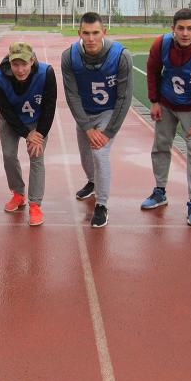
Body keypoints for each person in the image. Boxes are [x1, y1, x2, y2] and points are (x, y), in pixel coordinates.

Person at [141, 8, 191, 226]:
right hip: (166, 103)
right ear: (172, 29)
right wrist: (154, 100)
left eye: (190, 28)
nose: (185, 33)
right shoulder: (161, 44)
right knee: (160, 145)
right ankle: (160, 191)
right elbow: (152, 70)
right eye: (180, 28)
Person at [61, 12, 133, 227]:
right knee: (85, 156)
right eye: (86, 33)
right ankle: (92, 182)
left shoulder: (120, 55)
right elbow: (71, 94)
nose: (91, 38)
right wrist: (86, 126)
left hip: (108, 111)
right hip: (85, 112)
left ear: (104, 32)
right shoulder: (69, 56)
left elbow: (124, 97)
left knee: (99, 153)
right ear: (79, 33)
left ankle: (101, 205)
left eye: (95, 33)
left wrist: (108, 132)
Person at [0, 41, 57, 226]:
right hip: (12, 119)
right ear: (10, 63)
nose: (20, 70)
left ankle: (35, 204)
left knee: (36, 155)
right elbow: (5, 110)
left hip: (37, 119)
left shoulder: (46, 73)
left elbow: (49, 106)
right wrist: (24, 133)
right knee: (8, 155)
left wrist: (40, 134)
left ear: (33, 61)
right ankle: (18, 193)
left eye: (24, 64)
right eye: (15, 64)